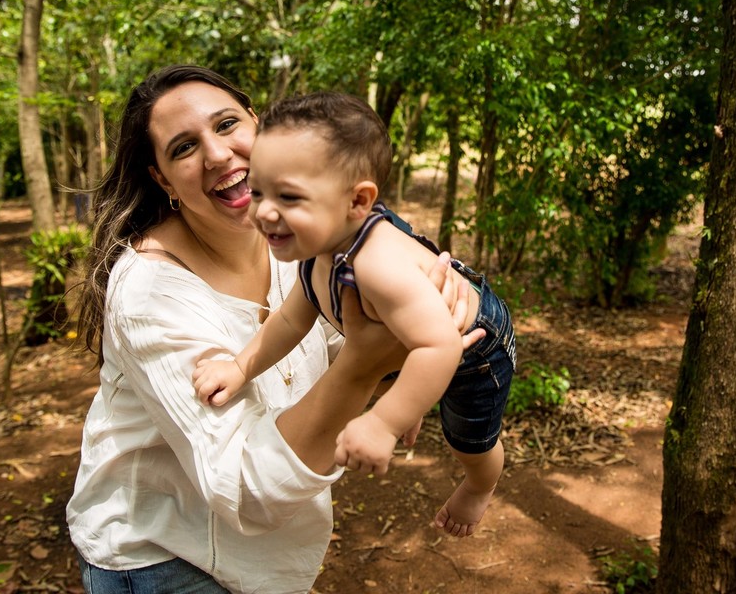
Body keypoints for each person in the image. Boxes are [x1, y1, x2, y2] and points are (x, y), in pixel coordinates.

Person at [65, 66, 476, 594]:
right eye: (184, 147)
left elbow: (341, 336)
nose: (216, 154)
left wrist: (416, 332)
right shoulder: (150, 291)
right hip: (164, 557)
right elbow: (244, 487)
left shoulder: (298, 232)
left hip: (270, 558)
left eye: (227, 124)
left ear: (259, 126)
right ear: (163, 180)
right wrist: (363, 370)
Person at [192, 91, 517, 538]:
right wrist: (240, 366)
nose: (265, 211)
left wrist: (383, 422)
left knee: (468, 438)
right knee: (407, 357)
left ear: (358, 202)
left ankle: (481, 484)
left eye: (288, 196)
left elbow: (438, 344)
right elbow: (289, 321)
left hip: (471, 346)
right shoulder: (317, 248)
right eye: (260, 190)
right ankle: (415, 388)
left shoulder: (376, 266)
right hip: (415, 332)